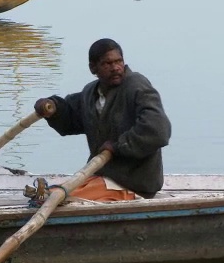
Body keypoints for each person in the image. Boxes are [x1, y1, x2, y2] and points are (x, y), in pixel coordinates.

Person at [34, 38, 171, 201]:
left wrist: (117, 147)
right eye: (107, 64)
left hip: (132, 183)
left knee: (60, 198)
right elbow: (70, 115)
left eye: (118, 61)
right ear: (93, 67)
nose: (115, 68)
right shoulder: (91, 93)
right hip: (103, 177)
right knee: (53, 194)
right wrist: (52, 107)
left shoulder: (136, 86)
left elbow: (157, 130)